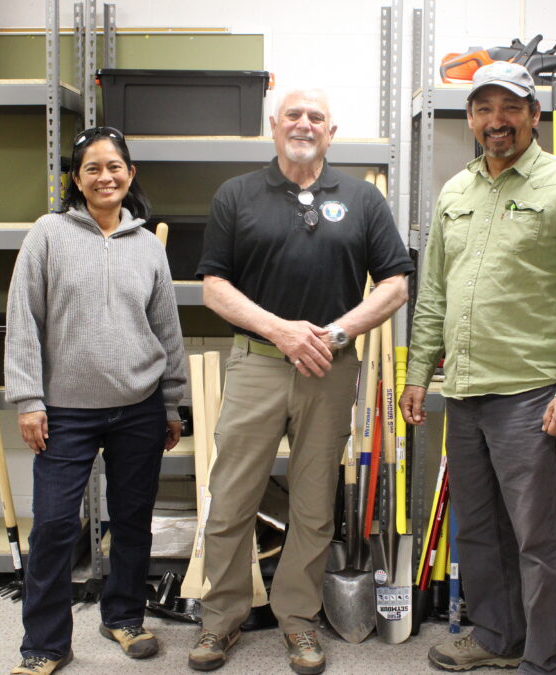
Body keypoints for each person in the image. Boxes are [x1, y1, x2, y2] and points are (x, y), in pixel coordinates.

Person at [188, 88, 413, 675]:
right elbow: (214, 286)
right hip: (258, 362)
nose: (304, 124)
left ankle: (298, 620)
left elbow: (395, 285)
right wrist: (282, 332)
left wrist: (335, 335)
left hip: (330, 371)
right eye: (294, 114)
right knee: (231, 497)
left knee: (314, 506)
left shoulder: (362, 199)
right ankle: (221, 619)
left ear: (331, 131)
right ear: (274, 125)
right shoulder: (237, 195)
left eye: (317, 117)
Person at [400, 61, 556, 675]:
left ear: (533, 116)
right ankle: (497, 634)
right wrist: (418, 374)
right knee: (479, 531)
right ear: (469, 118)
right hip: (464, 390)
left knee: (538, 540)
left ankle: (546, 659)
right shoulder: (455, 192)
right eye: (484, 109)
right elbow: (433, 292)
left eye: (510, 108)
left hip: (532, 393)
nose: (497, 121)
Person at [4, 126, 186, 675]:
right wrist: (28, 400)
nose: (104, 177)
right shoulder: (48, 235)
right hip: (64, 411)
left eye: (114, 167)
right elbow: (23, 321)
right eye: (92, 168)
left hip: (138, 407)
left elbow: (167, 331)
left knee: (131, 519)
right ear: (76, 180)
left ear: (130, 175)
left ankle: (124, 617)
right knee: (56, 526)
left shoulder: (149, 246)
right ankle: (45, 645)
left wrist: (171, 404)